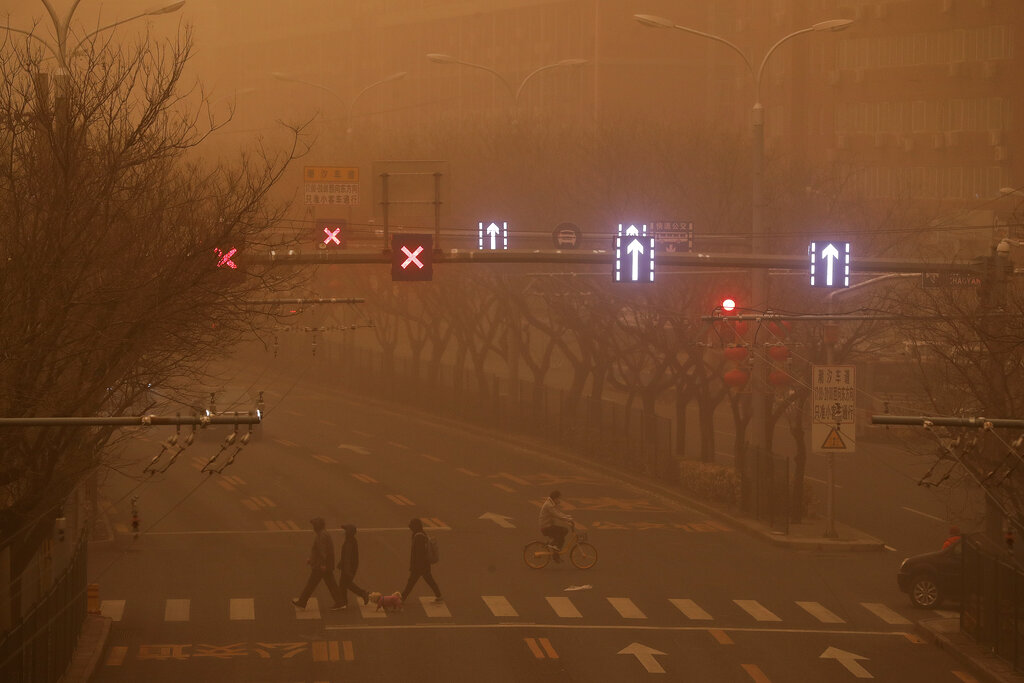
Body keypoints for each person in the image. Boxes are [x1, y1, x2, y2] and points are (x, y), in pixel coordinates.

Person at [292, 517, 344, 610]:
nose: (313, 527)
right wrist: (312, 560)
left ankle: (302, 601)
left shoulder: (322, 536)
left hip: (321, 566)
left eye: (314, 525)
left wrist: (323, 564)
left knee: (311, 584)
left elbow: (322, 551)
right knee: (331, 584)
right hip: (323, 564)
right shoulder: (323, 534)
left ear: (317, 526)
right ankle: (340, 602)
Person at [400, 517, 442, 604]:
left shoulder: (418, 536)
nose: (410, 527)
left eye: (411, 525)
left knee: (411, 582)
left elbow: (419, 554)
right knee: (428, 580)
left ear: (415, 526)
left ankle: (402, 598)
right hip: (423, 565)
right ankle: (439, 595)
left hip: (420, 566)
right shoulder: (421, 534)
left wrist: (414, 566)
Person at [336, 524, 370, 609]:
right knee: (344, 584)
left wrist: (347, 570)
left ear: (349, 532)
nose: (344, 532)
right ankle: (344, 602)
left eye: (345, 530)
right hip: (350, 566)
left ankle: (363, 593)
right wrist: (341, 563)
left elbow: (347, 557)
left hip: (349, 567)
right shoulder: (351, 540)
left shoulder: (349, 542)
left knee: (346, 584)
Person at [539, 490, 573, 562]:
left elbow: (558, 513)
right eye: (559, 498)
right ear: (555, 498)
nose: (560, 500)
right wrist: (567, 519)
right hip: (546, 527)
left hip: (548, 526)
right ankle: (553, 545)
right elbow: (556, 515)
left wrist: (566, 517)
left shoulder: (551, 503)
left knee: (561, 538)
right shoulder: (549, 505)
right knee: (564, 532)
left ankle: (555, 554)